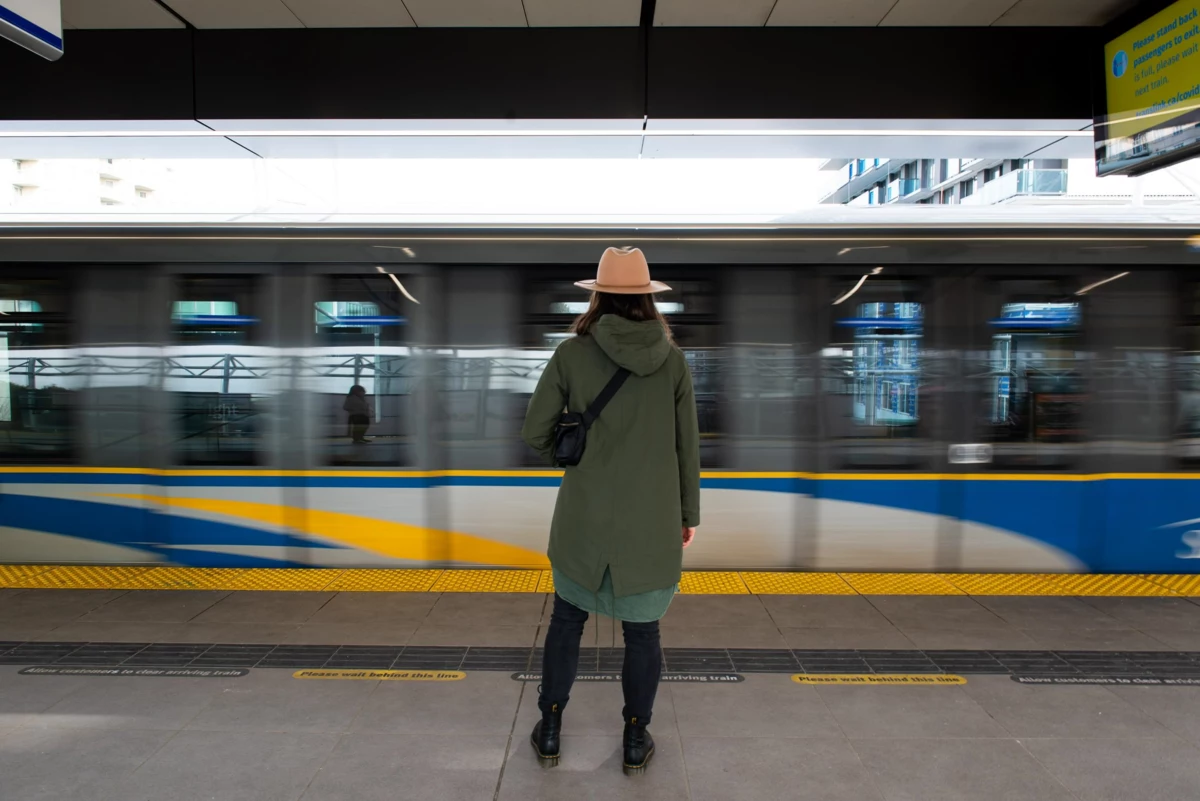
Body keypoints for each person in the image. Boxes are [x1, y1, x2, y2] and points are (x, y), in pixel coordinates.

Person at [521, 247, 700, 775]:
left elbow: (534, 432)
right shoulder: (673, 361)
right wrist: (687, 515)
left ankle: (550, 729)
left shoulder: (570, 354)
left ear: (597, 297)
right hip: (652, 520)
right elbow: (687, 448)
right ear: (648, 300)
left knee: (566, 622)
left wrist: (575, 459)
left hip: (584, 516)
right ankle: (634, 738)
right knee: (643, 634)